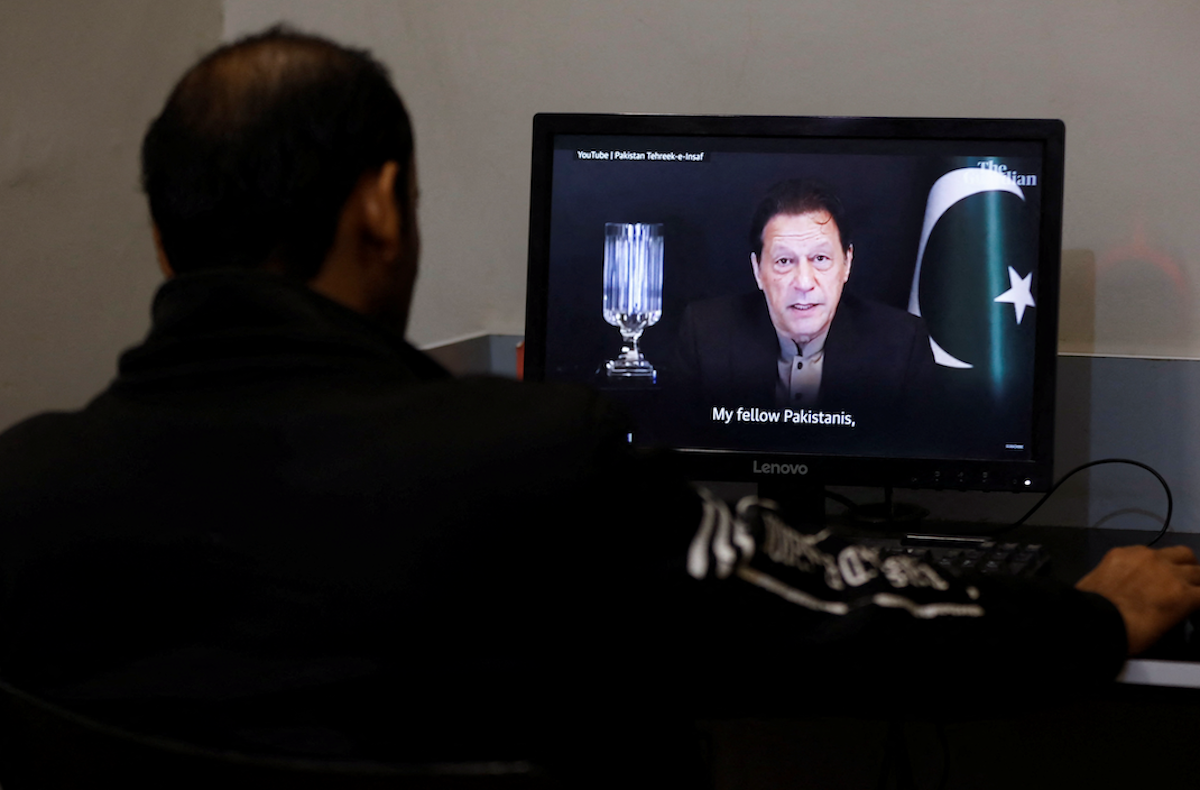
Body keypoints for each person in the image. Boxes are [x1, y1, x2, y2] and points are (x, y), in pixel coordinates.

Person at [0, 26, 1198, 786]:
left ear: (162, 238)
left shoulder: (24, 490)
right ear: (382, 206)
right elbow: (833, 607)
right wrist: (1087, 621)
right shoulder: (532, 462)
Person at [676, 178, 938, 424]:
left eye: (820, 259)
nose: (803, 283)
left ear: (847, 263)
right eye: (784, 261)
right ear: (758, 271)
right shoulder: (705, 335)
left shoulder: (902, 344)